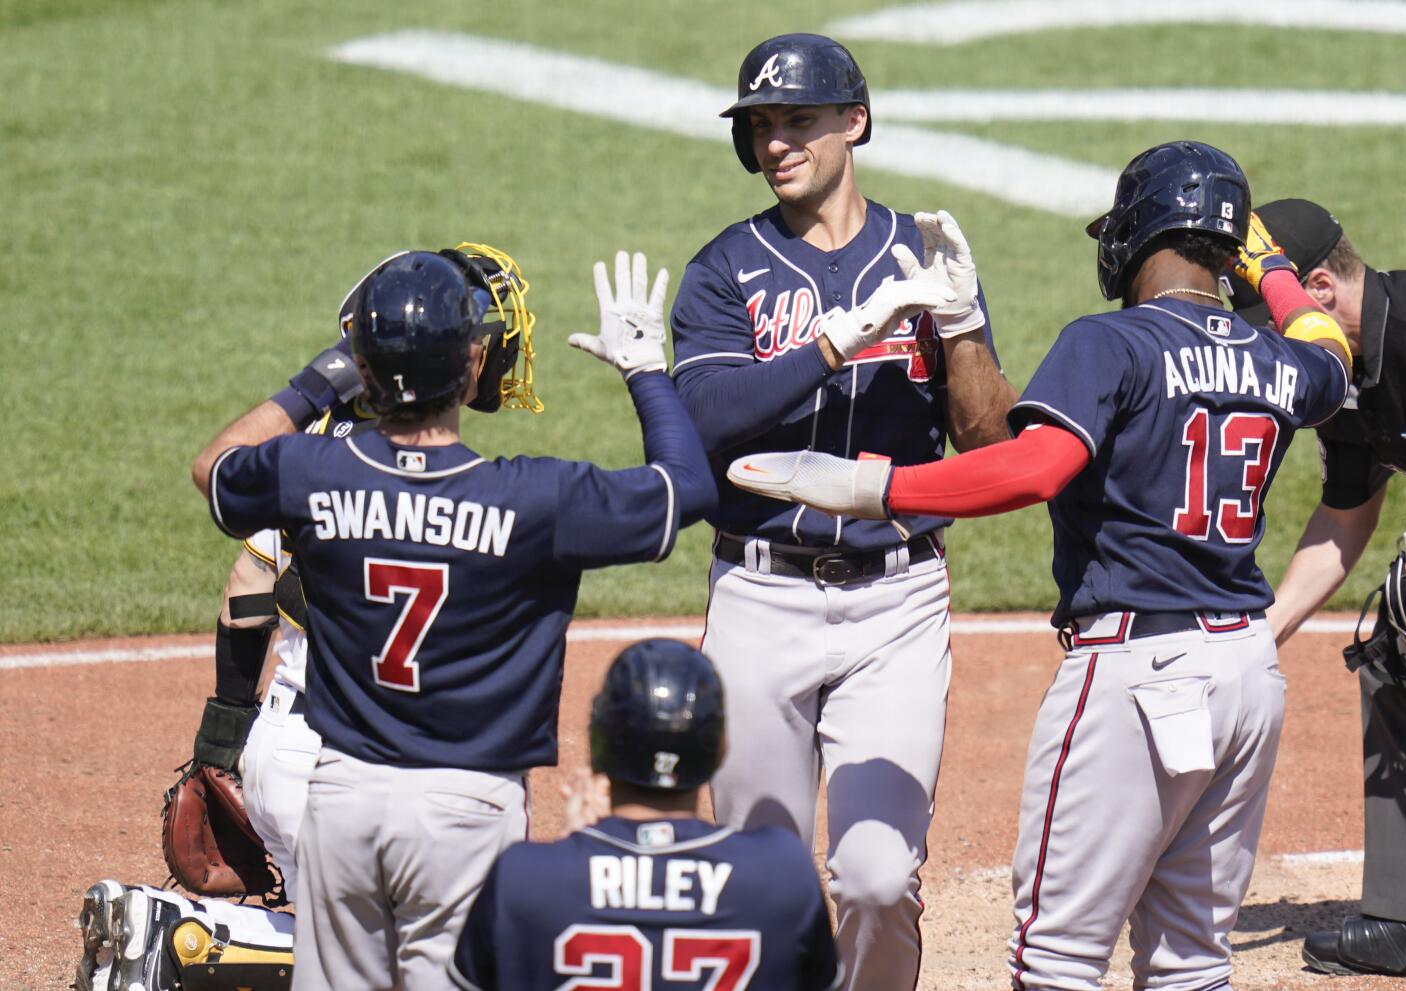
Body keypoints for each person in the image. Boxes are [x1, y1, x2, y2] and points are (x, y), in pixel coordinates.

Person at [728, 141, 1353, 990]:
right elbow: (1329, 346)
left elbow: (1034, 467)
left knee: (1056, 956)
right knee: (1192, 957)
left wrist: (877, 487)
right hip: (1247, 670)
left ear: (1140, 234)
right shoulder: (1280, 358)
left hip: (1137, 670)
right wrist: (1274, 266)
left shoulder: (1112, 343)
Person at [190, 247, 715, 990]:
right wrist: (645, 371)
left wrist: (321, 380)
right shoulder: (535, 499)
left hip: (341, 795)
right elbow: (686, 489)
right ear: (474, 367)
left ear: (363, 370)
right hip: (464, 810)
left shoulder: (308, 475)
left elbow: (215, 465)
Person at [74, 245, 542, 991]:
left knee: (358, 941)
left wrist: (222, 733)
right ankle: (192, 941)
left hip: (280, 751)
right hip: (367, 762)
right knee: (439, 962)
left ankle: (223, 936)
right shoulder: (447, 480)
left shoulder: (300, 461)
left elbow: (250, 584)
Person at [668, 32, 1018, 989]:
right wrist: (830, 345)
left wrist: (962, 323)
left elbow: (990, 442)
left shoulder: (926, 254)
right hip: (760, 594)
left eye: (799, 121)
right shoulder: (723, 270)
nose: (777, 142)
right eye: (761, 127)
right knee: (757, 883)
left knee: (875, 876)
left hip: (895, 601)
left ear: (853, 122)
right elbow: (704, 420)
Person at [1228, 199, 1406, 985]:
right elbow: (1346, 512)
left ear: (1316, 288)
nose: (1255, 341)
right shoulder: (1340, 375)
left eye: (1264, 315)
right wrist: (1254, 634)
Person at [448, 638, 842, 990]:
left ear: (598, 742)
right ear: (719, 748)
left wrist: (575, 852)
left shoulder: (527, 877)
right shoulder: (781, 875)